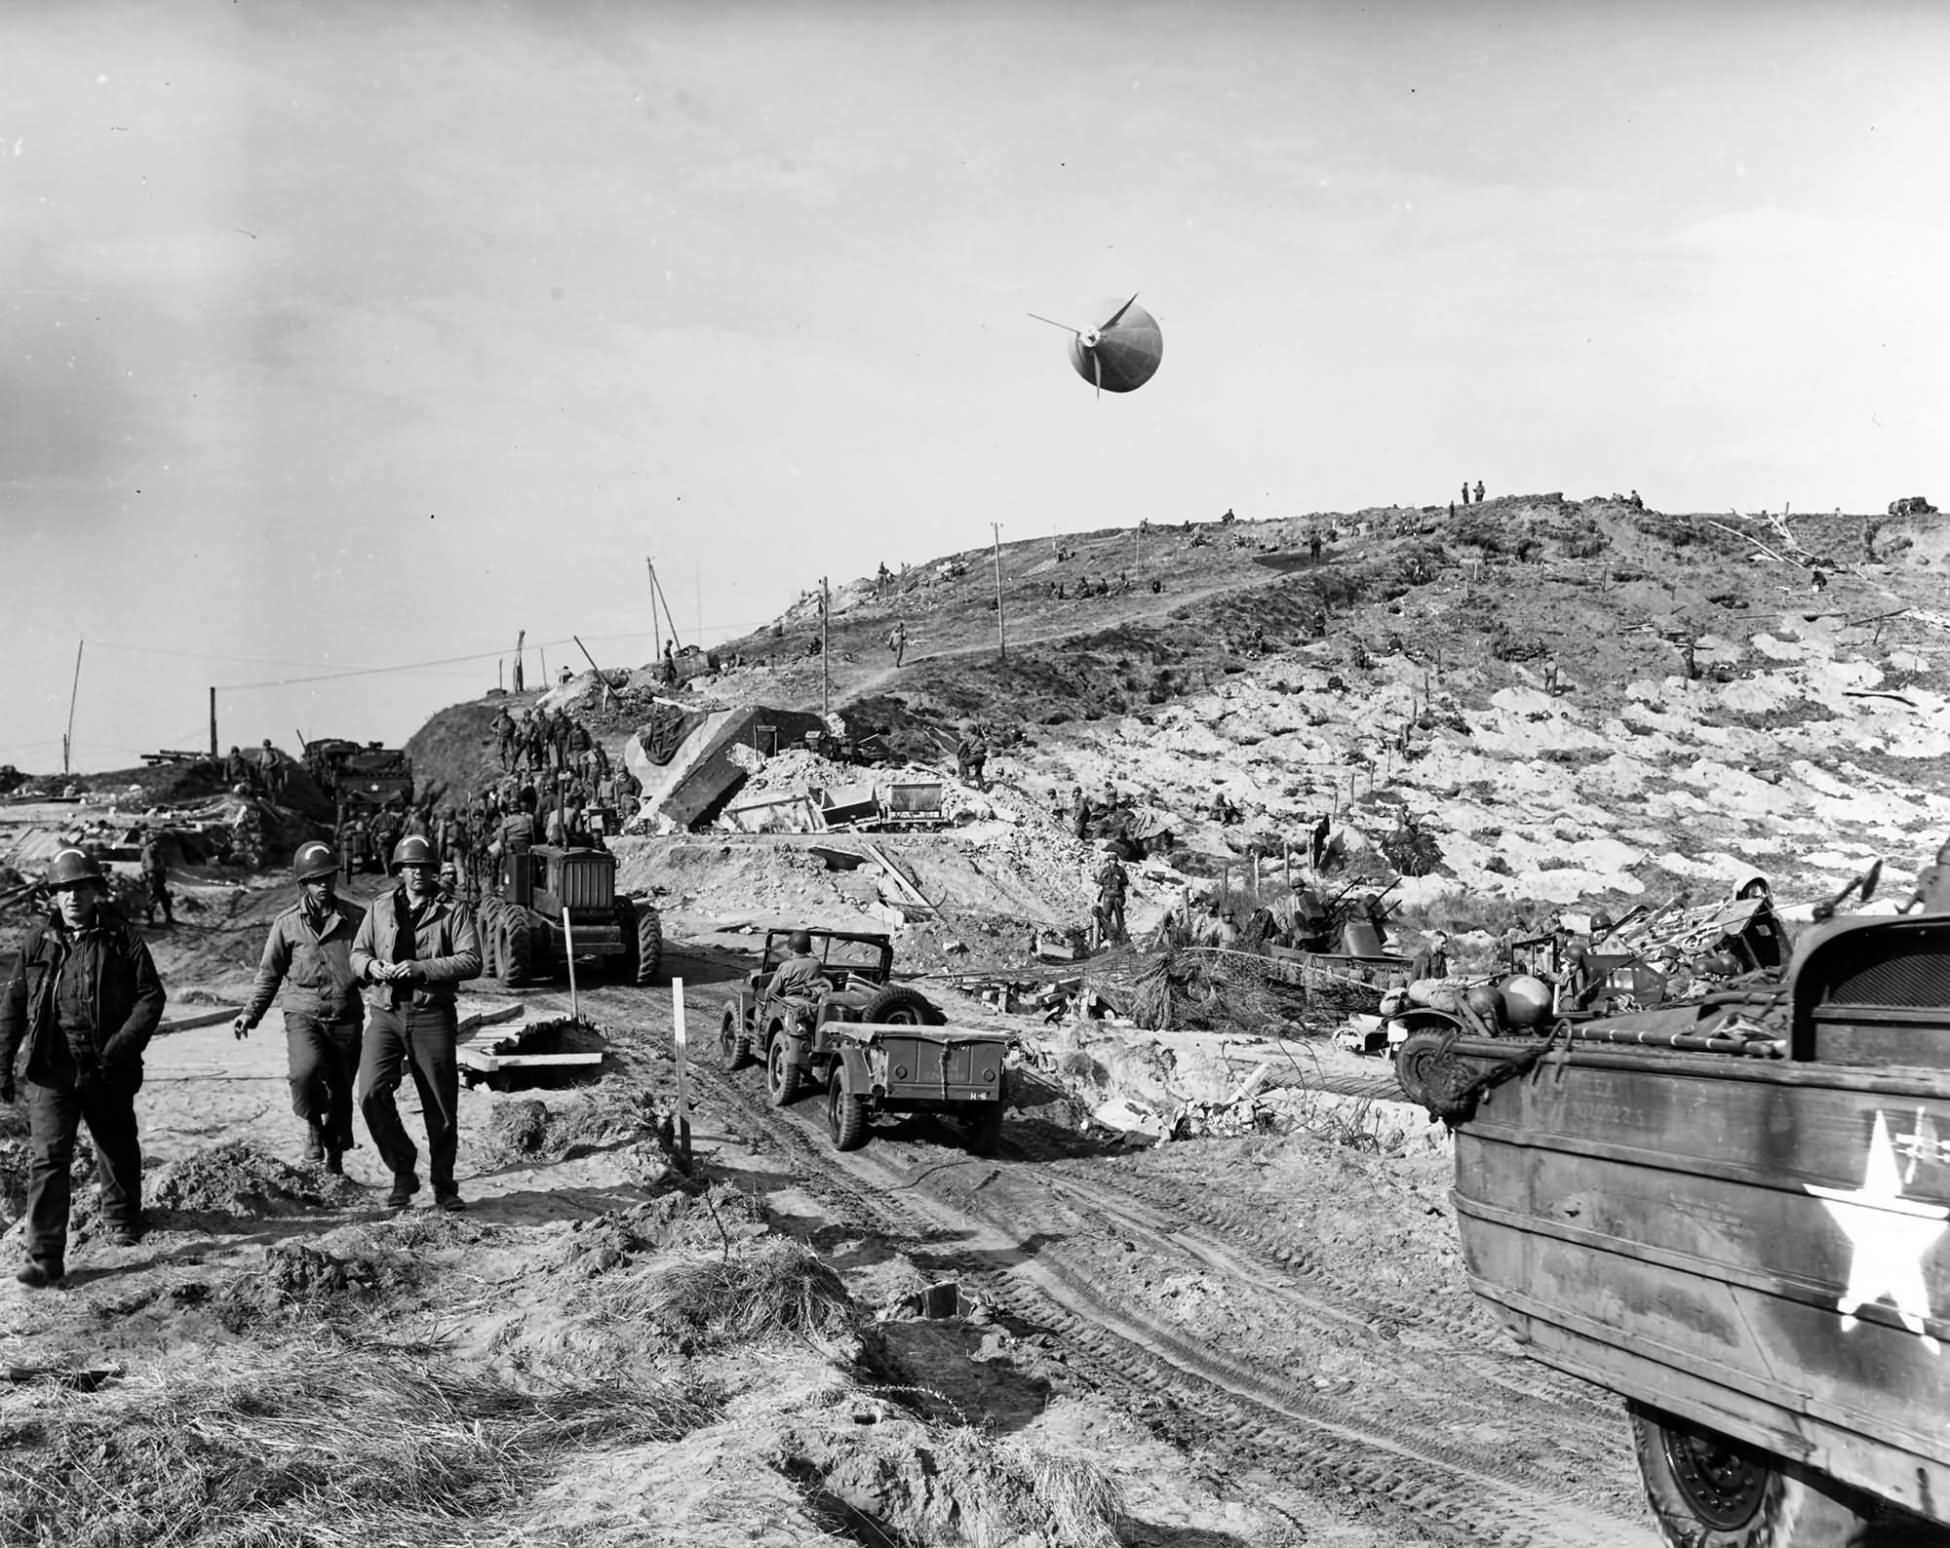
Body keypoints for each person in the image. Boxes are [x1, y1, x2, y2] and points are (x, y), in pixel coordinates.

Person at [0, 847, 167, 1287]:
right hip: (50, 1068)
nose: (72, 897)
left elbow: (151, 997)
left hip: (105, 1065)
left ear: (96, 890)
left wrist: (120, 1047)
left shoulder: (121, 938)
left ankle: (122, 1218)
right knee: (48, 1158)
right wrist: (3, 1064)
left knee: (114, 1142)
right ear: (52, 896)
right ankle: (44, 1257)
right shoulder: (37, 942)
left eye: (80, 887)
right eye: (63, 889)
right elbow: (13, 1005)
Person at [351, 834, 483, 1212]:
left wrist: (420, 968)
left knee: (440, 1104)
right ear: (400, 871)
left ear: (433, 870)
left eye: (424, 867)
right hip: (386, 1012)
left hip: (431, 1015)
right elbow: (357, 952)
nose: (417, 873)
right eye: (410, 867)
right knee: (371, 1092)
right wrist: (371, 967)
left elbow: (471, 960)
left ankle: (444, 1185)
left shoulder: (452, 910)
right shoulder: (379, 908)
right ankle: (403, 1170)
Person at [233, 842, 365, 1172]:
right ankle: (313, 1125)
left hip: (345, 1012)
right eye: (316, 880)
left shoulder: (356, 918)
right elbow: (270, 972)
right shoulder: (287, 923)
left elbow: (373, 964)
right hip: (303, 1012)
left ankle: (335, 1161)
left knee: (341, 1089)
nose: (324, 885)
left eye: (328, 878)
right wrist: (251, 1012)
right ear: (303, 883)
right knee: (303, 1074)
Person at [764, 930, 827, 1025]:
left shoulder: (786, 966)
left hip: (790, 1005)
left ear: (791, 948)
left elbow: (771, 991)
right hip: (811, 1006)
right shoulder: (817, 964)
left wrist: (765, 998)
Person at [139, 830, 173, 926]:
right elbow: (151, 865)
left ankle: (169, 917)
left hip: (158, 876)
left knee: (165, 899)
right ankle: (149, 921)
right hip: (153, 877)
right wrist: (158, 870)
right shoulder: (150, 850)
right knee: (153, 899)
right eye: (158, 840)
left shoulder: (157, 849)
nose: (160, 842)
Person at [490, 705, 516, 771]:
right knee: (501, 753)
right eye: (502, 711)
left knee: (511, 753)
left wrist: (512, 732)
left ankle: (512, 767)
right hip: (501, 738)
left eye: (504, 711)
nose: (503, 713)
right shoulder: (498, 718)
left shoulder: (510, 718)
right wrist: (496, 731)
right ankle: (504, 767)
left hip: (509, 738)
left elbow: (514, 726)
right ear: (500, 712)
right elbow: (491, 725)